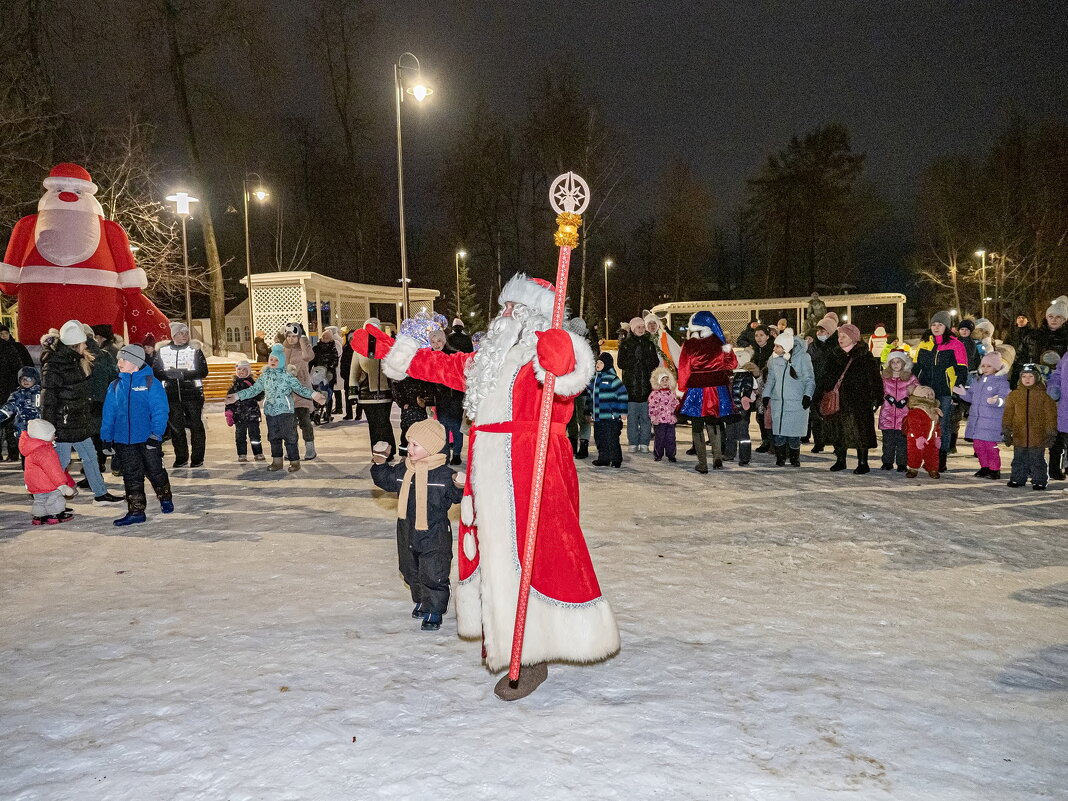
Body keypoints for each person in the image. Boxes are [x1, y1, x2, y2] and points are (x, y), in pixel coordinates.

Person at [354, 272, 618, 700]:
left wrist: (559, 352)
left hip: (532, 464)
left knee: (532, 554)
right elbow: (441, 366)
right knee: (496, 555)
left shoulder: (543, 350)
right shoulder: (488, 359)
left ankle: (531, 654)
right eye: (504, 308)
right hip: (489, 463)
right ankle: (507, 638)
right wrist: (388, 349)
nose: (505, 314)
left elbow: (569, 374)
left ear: (534, 315)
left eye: (515, 308)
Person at [370, 418, 465, 631]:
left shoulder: (443, 475)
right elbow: (384, 480)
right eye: (409, 443)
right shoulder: (404, 470)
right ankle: (422, 599)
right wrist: (379, 462)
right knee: (409, 568)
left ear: (431, 448)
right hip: (406, 528)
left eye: (415, 445)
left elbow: (455, 497)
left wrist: (459, 485)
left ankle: (434, 609)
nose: (408, 449)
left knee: (433, 570)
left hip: (435, 531)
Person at [39, 320, 123, 505]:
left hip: (79, 418)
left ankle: (100, 494)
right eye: (84, 342)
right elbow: (48, 397)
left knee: (91, 457)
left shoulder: (77, 360)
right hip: (64, 422)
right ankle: (47, 498)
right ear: (75, 344)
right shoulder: (54, 364)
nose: (87, 344)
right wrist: (48, 425)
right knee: (60, 462)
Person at [101, 344, 174, 526]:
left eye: (122, 359)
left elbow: (160, 410)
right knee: (131, 475)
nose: (118, 363)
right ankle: (136, 511)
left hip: (147, 438)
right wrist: (106, 437)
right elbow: (108, 413)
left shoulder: (150, 382)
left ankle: (164, 496)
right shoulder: (115, 385)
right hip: (123, 440)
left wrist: (156, 434)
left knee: (155, 471)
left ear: (134, 362)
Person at [226, 344, 325, 473]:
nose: (273, 362)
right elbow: (253, 390)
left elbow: (300, 389)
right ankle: (277, 461)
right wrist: (237, 396)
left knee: (290, 437)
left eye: (276, 360)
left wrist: (314, 394)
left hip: (286, 412)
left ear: (282, 361)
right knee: (274, 437)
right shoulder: (265, 376)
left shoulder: (287, 376)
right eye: (271, 359)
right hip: (271, 412)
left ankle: (294, 461)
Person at [814, 323, 882, 473]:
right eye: (839, 336)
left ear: (853, 337)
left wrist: (876, 397)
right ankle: (840, 460)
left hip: (859, 400)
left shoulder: (864, 356)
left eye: (844, 336)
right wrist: (818, 395)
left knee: (860, 431)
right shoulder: (834, 355)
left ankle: (863, 462)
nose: (840, 339)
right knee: (838, 430)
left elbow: (874, 378)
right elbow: (825, 377)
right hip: (838, 400)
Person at [677, 311, 738, 473]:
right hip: (717, 389)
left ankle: (702, 463)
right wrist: (728, 350)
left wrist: (681, 389)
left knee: (697, 425)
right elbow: (732, 365)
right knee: (714, 422)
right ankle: (717, 457)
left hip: (696, 389)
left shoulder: (689, 345)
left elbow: (684, 368)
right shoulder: (719, 343)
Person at [914, 311, 969, 473]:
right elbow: (917, 367)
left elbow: (962, 371)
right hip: (925, 393)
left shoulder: (956, 344)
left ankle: (940, 459)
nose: (936, 327)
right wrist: (914, 387)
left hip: (945, 391)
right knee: (925, 425)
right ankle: (927, 456)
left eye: (940, 324)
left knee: (942, 426)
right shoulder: (924, 343)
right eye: (933, 324)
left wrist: (956, 393)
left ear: (947, 327)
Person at [153, 322, 208, 468]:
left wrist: (183, 374)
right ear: (174, 335)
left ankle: (197, 457)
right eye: (181, 333)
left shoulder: (194, 350)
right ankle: (181, 457)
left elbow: (203, 371)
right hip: (171, 395)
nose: (185, 336)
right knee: (176, 428)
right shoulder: (162, 351)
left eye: (186, 333)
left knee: (196, 426)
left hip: (192, 394)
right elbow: (156, 371)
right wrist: (167, 375)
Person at [953, 351, 1011, 479]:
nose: (985, 368)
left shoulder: (1001, 382)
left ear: (996, 367)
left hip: (991, 422)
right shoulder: (977, 381)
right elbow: (971, 398)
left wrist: (997, 401)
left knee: (990, 446)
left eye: (989, 366)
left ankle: (995, 469)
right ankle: (984, 467)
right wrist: (963, 393)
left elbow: (1006, 399)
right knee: (978, 446)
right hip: (976, 420)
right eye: (983, 366)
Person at [762, 329, 815, 467]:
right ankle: (780, 458)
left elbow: (809, 379)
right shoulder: (773, 359)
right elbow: (771, 379)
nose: (774, 348)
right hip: (779, 402)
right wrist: (766, 395)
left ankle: (794, 458)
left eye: (778, 346)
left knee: (793, 435)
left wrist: (807, 395)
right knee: (779, 434)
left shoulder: (803, 358)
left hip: (796, 403)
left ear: (786, 347)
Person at [1003, 364, 1058, 489]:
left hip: (1038, 436)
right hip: (1019, 434)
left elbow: (1050, 415)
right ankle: (1017, 478)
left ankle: (1039, 480)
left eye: (1030, 376)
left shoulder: (1044, 396)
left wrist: (1051, 432)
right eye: (1024, 376)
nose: (1027, 379)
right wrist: (1006, 428)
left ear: (1037, 378)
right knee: (1018, 459)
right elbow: (1008, 413)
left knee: (1037, 460)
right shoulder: (1014, 395)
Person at [349, 318, 396, 459]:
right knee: (373, 426)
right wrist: (352, 394)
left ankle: (389, 450)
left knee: (384, 423)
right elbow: (354, 372)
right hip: (366, 394)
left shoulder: (388, 347)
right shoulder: (359, 348)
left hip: (385, 393)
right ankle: (377, 453)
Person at [20, 418, 78, 525]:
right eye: (53, 434)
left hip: (34, 483)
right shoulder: (45, 450)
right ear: (44, 435)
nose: (55, 436)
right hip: (49, 482)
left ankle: (39, 516)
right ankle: (55, 514)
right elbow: (53, 470)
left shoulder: (31, 448)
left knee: (39, 500)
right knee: (55, 499)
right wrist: (62, 485)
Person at [616, 316, 658, 452]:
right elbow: (620, 363)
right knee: (632, 418)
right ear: (633, 329)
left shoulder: (649, 344)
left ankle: (644, 442)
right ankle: (633, 442)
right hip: (631, 388)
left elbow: (655, 363)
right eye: (638, 327)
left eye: (642, 327)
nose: (641, 329)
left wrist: (645, 360)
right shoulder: (626, 344)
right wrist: (634, 359)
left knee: (646, 418)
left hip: (646, 387)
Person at [426, 327, 466, 465]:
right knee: (443, 428)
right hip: (440, 398)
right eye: (433, 341)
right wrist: (430, 400)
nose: (436, 344)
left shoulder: (454, 355)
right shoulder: (429, 358)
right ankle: (444, 454)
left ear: (444, 341)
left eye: (438, 341)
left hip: (455, 396)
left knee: (455, 427)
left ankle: (456, 453)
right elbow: (428, 380)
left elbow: (462, 376)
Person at [280, 322, 318, 460]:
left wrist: (303, 339)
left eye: (294, 336)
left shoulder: (303, 348)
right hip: (287, 393)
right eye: (288, 336)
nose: (291, 338)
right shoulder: (282, 350)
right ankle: (291, 448)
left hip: (301, 390)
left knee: (304, 421)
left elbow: (309, 356)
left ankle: (310, 448)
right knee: (289, 424)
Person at [878, 348, 918, 471]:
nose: (895, 365)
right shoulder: (885, 378)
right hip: (887, 415)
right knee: (888, 441)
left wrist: (906, 399)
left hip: (903, 416)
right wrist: (887, 397)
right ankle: (887, 461)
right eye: (893, 362)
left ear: (904, 363)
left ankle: (902, 463)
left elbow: (916, 390)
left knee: (902, 442)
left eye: (898, 362)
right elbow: (880, 390)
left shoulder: (910, 378)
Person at [807, 314, 840, 453]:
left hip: (831, 386)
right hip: (815, 385)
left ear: (830, 331)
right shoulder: (814, 346)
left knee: (832, 415)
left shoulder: (837, 346)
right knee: (815, 416)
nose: (819, 333)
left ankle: (836, 443)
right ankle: (818, 442)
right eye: (818, 330)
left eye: (823, 330)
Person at [0, 323, 33, 460]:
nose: (3, 336)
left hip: (9, 390)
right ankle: (13, 452)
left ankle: (13, 452)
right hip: (9, 389)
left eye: (5, 333)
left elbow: (23, 367)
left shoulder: (14, 347)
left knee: (10, 422)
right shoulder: (10, 348)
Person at [589, 351, 627, 467]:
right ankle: (603, 458)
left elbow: (623, 395)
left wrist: (623, 412)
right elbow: (590, 396)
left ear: (607, 364)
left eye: (601, 362)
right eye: (597, 362)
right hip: (598, 417)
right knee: (600, 438)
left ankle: (616, 459)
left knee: (612, 438)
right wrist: (589, 411)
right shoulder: (594, 380)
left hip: (610, 416)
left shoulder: (612, 379)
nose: (598, 364)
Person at [724, 347, 760, 466]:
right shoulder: (731, 375)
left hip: (742, 409)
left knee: (743, 433)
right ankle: (730, 453)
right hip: (731, 408)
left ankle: (745, 456)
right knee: (730, 432)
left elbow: (749, 387)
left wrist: (746, 397)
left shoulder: (747, 376)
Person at [225, 361, 265, 463]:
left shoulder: (253, 383)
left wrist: (255, 389)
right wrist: (229, 411)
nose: (241, 372)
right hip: (239, 415)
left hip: (252, 415)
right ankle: (242, 454)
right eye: (239, 369)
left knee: (255, 435)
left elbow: (260, 395)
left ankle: (258, 453)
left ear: (248, 371)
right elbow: (229, 399)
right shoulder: (233, 385)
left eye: (244, 369)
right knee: (240, 436)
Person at [565, 317, 592, 459]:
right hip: (571, 385)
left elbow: (590, 367)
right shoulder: (568, 345)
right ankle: (573, 442)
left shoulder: (586, 347)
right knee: (571, 416)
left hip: (582, 386)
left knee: (583, 417)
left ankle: (583, 443)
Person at [903, 385, 943, 479]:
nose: (930, 396)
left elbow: (936, 425)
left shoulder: (933, 411)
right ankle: (913, 468)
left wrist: (937, 437)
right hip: (916, 438)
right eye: (927, 395)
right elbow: (914, 425)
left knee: (932, 454)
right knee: (915, 453)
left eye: (931, 395)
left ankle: (932, 468)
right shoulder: (916, 411)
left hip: (931, 437)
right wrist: (918, 437)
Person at [0, 366, 41, 455]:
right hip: (22, 431)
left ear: (35, 379)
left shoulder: (41, 393)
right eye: (23, 379)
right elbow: (9, 408)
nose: (26, 381)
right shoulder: (17, 395)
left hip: (39, 432)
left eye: (29, 378)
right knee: (26, 455)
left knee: (39, 455)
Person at [750, 325, 775, 452]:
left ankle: (772, 442)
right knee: (760, 415)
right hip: (757, 387)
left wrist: (760, 372)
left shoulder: (771, 350)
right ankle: (765, 440)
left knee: (768, 414)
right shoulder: (754, 350)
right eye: (756, 335)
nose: (758, 338)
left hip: (769, 386)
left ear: (767, 336)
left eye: (761, 335)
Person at [312, 326, 343, 422]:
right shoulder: (316, 348)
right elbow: (313, 360)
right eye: (324, 337)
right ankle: (317, 411)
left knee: (329, 393)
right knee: (318, 392)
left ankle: (327, 413)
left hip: (329, 375)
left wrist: (329, 369)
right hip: (318, 374)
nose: (325, 339)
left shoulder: (333, 348)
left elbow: (335, 360)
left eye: (327, 337)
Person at [647, 367, 678, 462]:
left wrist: (676, 409)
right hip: (659, 420)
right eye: (662, 380)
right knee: (659, 438)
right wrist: (653, 417)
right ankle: (658, 454)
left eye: (666, 380)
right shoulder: (655, 394)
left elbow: (675, 403)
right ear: (658, 382)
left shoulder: (671, 393)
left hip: (670, 420)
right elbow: (652, 407)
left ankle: (671, 454)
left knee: (671, 438)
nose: (665, 382)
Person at [1046, 345, 1068, 481]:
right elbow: (1057, 373)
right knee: (1058, 440)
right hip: (1064, 405)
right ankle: (1054, 468)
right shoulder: (1067, 356)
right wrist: (1054, 387)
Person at [338, 329, 359, 421]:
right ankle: (349, 413)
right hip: (348, 376)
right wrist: (343, 374)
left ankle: (359, 413)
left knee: (359, 395)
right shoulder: (346, 349)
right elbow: (343, 363)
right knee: (348, 395)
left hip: (358, 377)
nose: (352, 341)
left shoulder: (360, 349)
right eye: (351, 339)